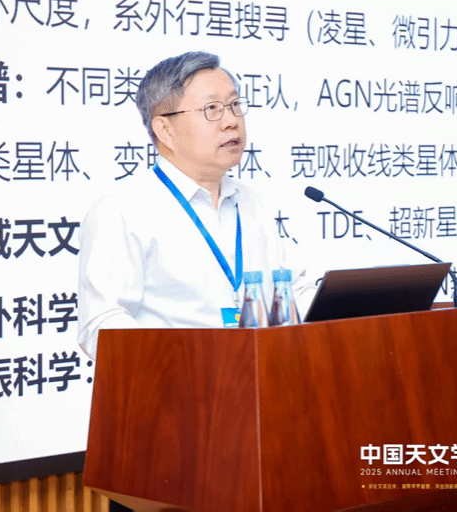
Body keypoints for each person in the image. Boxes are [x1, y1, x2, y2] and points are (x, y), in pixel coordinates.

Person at [77, 51, 316, 512]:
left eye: (235, 105)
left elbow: (290, 290)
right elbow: (100, 325)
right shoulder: (123, 208)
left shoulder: (253, 203)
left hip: (260, 428)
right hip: (170, 442)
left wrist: (344, 311)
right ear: (164, 129)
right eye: (212, 109)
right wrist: (194, 364)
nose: (231, 121)